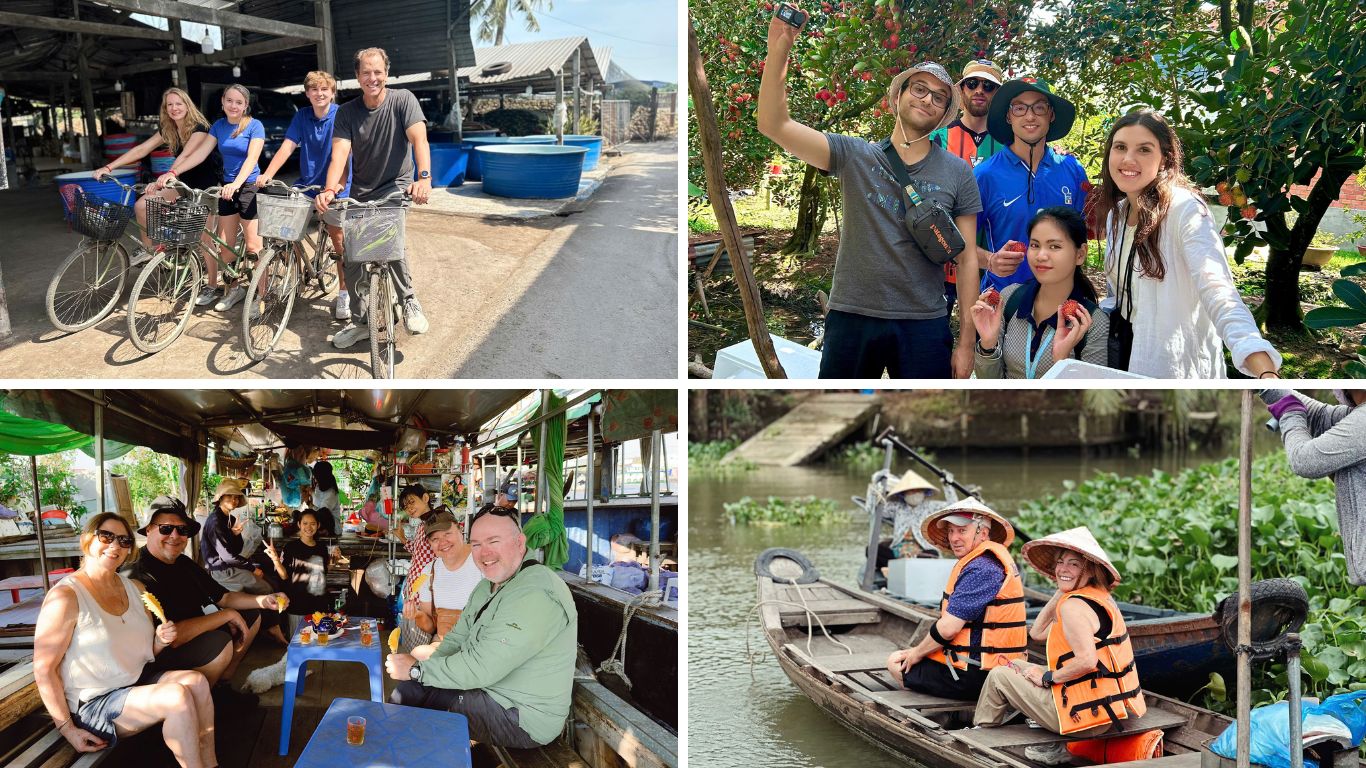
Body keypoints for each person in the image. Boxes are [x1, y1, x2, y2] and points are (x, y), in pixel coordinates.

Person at [757, 9, 982, 378]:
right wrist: (778, 49)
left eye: (939, 98)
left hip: (924, 321)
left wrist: (966, 344)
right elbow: (774, 124)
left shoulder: (958, 172)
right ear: (898, 97)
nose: (927, 100)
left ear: (944, 115)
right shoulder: (854, 155)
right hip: (852, 316)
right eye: (919, 89)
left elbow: (968, 260)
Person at [1089, 109, 1280, 378]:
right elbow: (1123, 295)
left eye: (1144, 150)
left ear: (1165, 160)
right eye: (1120, 147)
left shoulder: (1184, 209)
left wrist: (1260, 364)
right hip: (1127, 354)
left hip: (1175, 366)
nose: (1128, 159)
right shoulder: (1116, 216)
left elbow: (1217, 289)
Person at [33, 513, 217, 767]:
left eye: (123, 540)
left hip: (133, 683)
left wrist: (161, 641)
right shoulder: (65, 596)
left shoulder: (136, 589)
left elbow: (144, 652)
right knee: (176, 696)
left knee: (196, 681)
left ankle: (210, 763)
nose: (115, 545)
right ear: (87, 539)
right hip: (94, 703)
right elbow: (44, 669)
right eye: (106, 536)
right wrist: (67, 728)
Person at [386, 506, 577, 749]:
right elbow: (456, 640)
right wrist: (420, 670)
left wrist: (417, 670)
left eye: (493, 541)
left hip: (522, 716)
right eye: (476, 544)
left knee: (426, 706)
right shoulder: (488, 585)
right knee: (411, 692)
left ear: (520, 543)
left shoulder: (535, 591)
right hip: (489, 690)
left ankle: (394, 752)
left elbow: (482, 668)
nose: (484, 553)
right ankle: (388, 749)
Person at [974, 526, 1146, 766]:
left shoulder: (1074, 607)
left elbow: (1087, 661)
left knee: (999, 675)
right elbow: (1037, 633)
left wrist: (1047, 677)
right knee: (1016, 665)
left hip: (1083, 718)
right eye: (1061, 563)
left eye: (1074, 564)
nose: (1064, 569)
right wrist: (1061, 589)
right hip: (1105, 709)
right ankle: (1038, 731)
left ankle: (980, 740)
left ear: (1090, 569)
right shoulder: (1097, 596)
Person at [315, 47, 433, 350]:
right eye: (366, 72)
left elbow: (419, 139)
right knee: (352, 258)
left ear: (386, 73)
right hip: (362, 192)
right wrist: (330, 190)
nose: (372, 77)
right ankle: (361, 322)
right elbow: (339, 155)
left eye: (377, 71)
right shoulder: (347, 112)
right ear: (357, 77)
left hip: (397, 187)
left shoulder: (403, 100)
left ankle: (408, 301)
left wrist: (424, 178)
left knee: (389, 240)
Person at [125, 496, 283, 707]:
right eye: (165, 528)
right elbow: (174, 636)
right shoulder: (139, 574)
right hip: (157, 655)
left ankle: (220, 689)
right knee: (220, 643)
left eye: (182, 530)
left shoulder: (183, 563)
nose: (175, 535)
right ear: (148, 530)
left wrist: (264, 600)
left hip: (191, 634)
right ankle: (201, 705)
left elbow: (224, 597)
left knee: (252, 615)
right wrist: (225, 615)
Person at [885, 498, 1025, 699]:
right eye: (951, 531)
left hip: (976, 675)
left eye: (962, 530)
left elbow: (948, 628)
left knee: (895, 662)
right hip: (994, 666)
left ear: (983, 533)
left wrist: (916, 653)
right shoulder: (984, 562)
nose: (954, 537)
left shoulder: (981, 568)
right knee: (913, 655)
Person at [975, 77, 1091, 294]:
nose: (1030, 116)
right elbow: (958, 244)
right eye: (1019, 108)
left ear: (1051, 114)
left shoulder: (1072, 170)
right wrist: (990, 260)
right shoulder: (985, 175)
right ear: (1008, 116)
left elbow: (1082, 237)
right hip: (1003, 303)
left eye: (1039, 107)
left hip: (1061, 303)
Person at [156, 83, 265, 312]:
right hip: (226, 188)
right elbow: (200, 154)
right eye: (229, 101)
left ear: (245, 105)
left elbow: (251, 159)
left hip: (247, 187)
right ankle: (234, 289)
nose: (233, 105)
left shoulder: (255, 126)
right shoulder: (218, 126)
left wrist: (236, 184)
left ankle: (262, 297)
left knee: (254, 248)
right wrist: (174, 172)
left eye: (239, 102)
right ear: (223, 102)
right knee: (226, 247)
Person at [255, 71, 353, 320]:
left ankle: (344, 293)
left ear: (332, 92)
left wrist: (338, 185)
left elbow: (347, 154)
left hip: (337, 185)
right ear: (307, 93)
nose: (319, 94)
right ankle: (295, 275)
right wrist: (267, 174)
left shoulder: (342, 114)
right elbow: (287, 146)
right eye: (314, 90)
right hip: (307, 184)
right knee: (285, 230)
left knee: (338, 239)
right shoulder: (302, 115)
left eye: (324, 89)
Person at [973, 206, 1109, 378]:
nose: (1041, 255)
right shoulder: (1008, 299)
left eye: (1054, 246)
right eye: (1035, 245)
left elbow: (1093, 401)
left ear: (1080, 254)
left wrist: (1062, 362)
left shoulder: (1091, 323)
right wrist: (987, 345)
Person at [93, 87, 221, 267]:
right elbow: (142, 149)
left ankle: (213, 282)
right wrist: (109, 166)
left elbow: (185, 156)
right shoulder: (169, 128)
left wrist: (163, 179)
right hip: (180, 181)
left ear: (187, 105)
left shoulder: (200, 128)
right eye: (170, 104)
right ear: (165, 108)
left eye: (179, 103)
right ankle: (150, 250)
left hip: (203, 185)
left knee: (204, 241)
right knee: (142, 206)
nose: (174, 108)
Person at [1262, 388, 1366, 583]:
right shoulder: (1358, 416)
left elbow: (1304, 461)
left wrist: (1290, 415)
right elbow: (1318, 416)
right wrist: (1266, 383)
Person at [931, 60, 1008, 312]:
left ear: (997, 94)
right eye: (972, 84)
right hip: (938, 261)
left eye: (988, 86)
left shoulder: (1009, 145)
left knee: (982, 338)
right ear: (961, 89)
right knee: (933, 336)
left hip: (991, 264)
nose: (979, 91)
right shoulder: (938, 137)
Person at [403, 510, 480, 653]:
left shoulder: (481, 560)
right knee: (417, 655)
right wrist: (417, 615)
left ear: (460, 529)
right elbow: (431, 627)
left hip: (479, 646)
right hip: (444, 645)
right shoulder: (429, 571)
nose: (443, 542)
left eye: (447, 534)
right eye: (435, 539)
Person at [264, 508, 332, 636]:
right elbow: (284, 575)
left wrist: (334, 560)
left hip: (319, 605)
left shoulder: (322, 547)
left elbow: (322, 573)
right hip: (298, 605)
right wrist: (275, 560)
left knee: (320, 642)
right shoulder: (291, 548)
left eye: (312, 524)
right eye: (305, 523)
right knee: (299, 641)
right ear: (299, 525)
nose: (309, 527)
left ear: (318, 525)